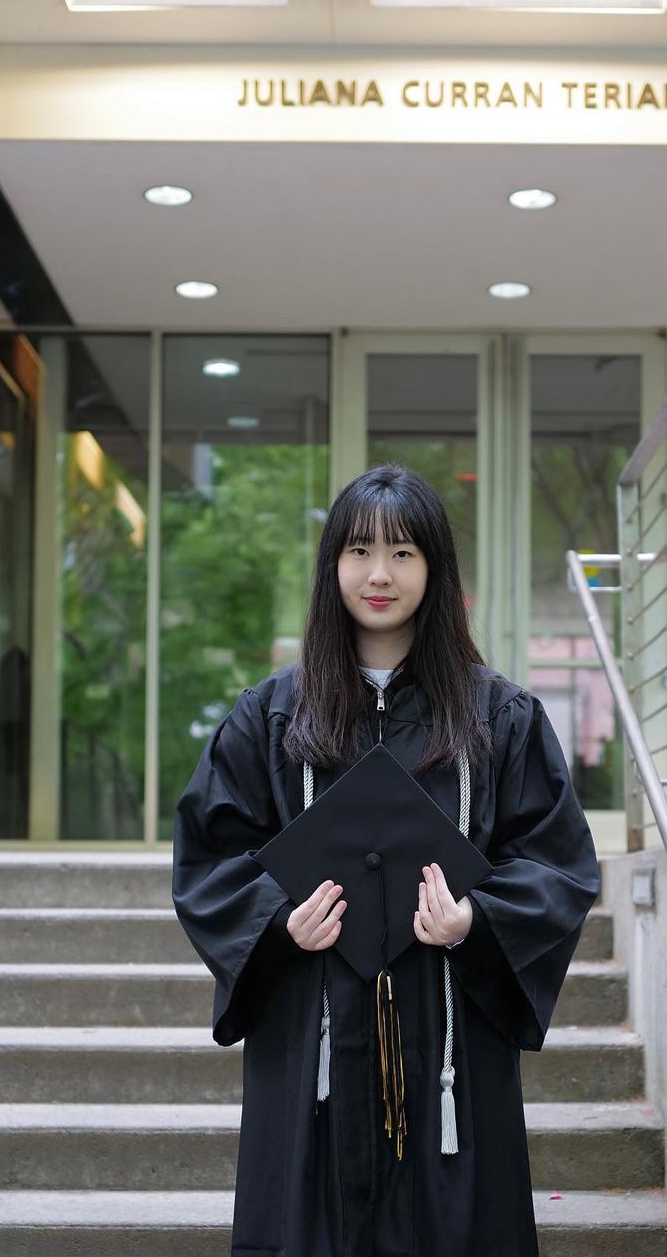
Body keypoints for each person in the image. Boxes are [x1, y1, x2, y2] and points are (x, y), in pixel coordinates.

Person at [171, 463, 601, 1257]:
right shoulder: (271, 717)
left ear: (435, 570)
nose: (379, 574)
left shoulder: (498, 718)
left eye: (404, 553)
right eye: (360, 551)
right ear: (332, 564)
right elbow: (210, 856)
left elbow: (557, 861)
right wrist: (276, 920)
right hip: (315, 1035)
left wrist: (477, 918)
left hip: (448, 1048)